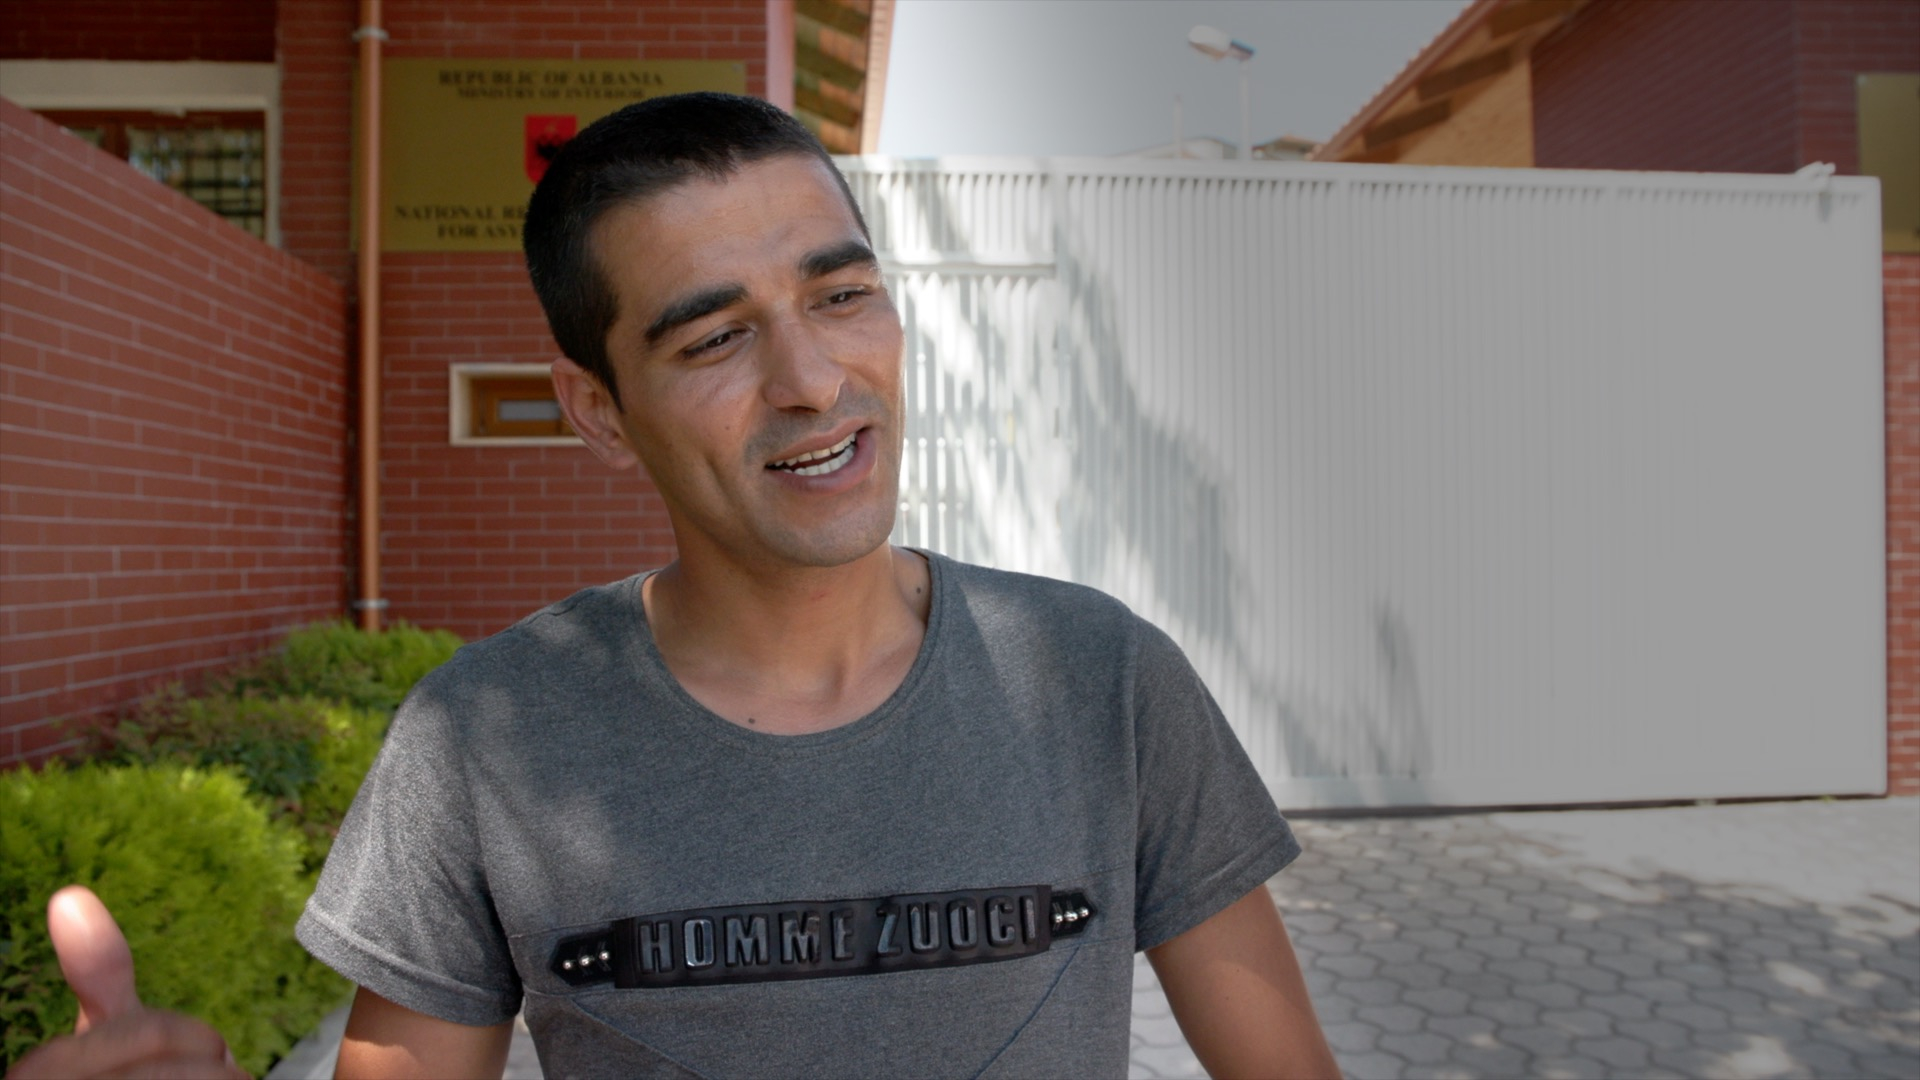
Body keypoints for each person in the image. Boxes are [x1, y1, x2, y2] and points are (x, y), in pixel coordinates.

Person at [17, 92, 1338, 1080]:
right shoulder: (481, 743)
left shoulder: (1102, 678)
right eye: (714, 337)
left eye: (841, 296)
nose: (812, 381)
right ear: (599, 411)